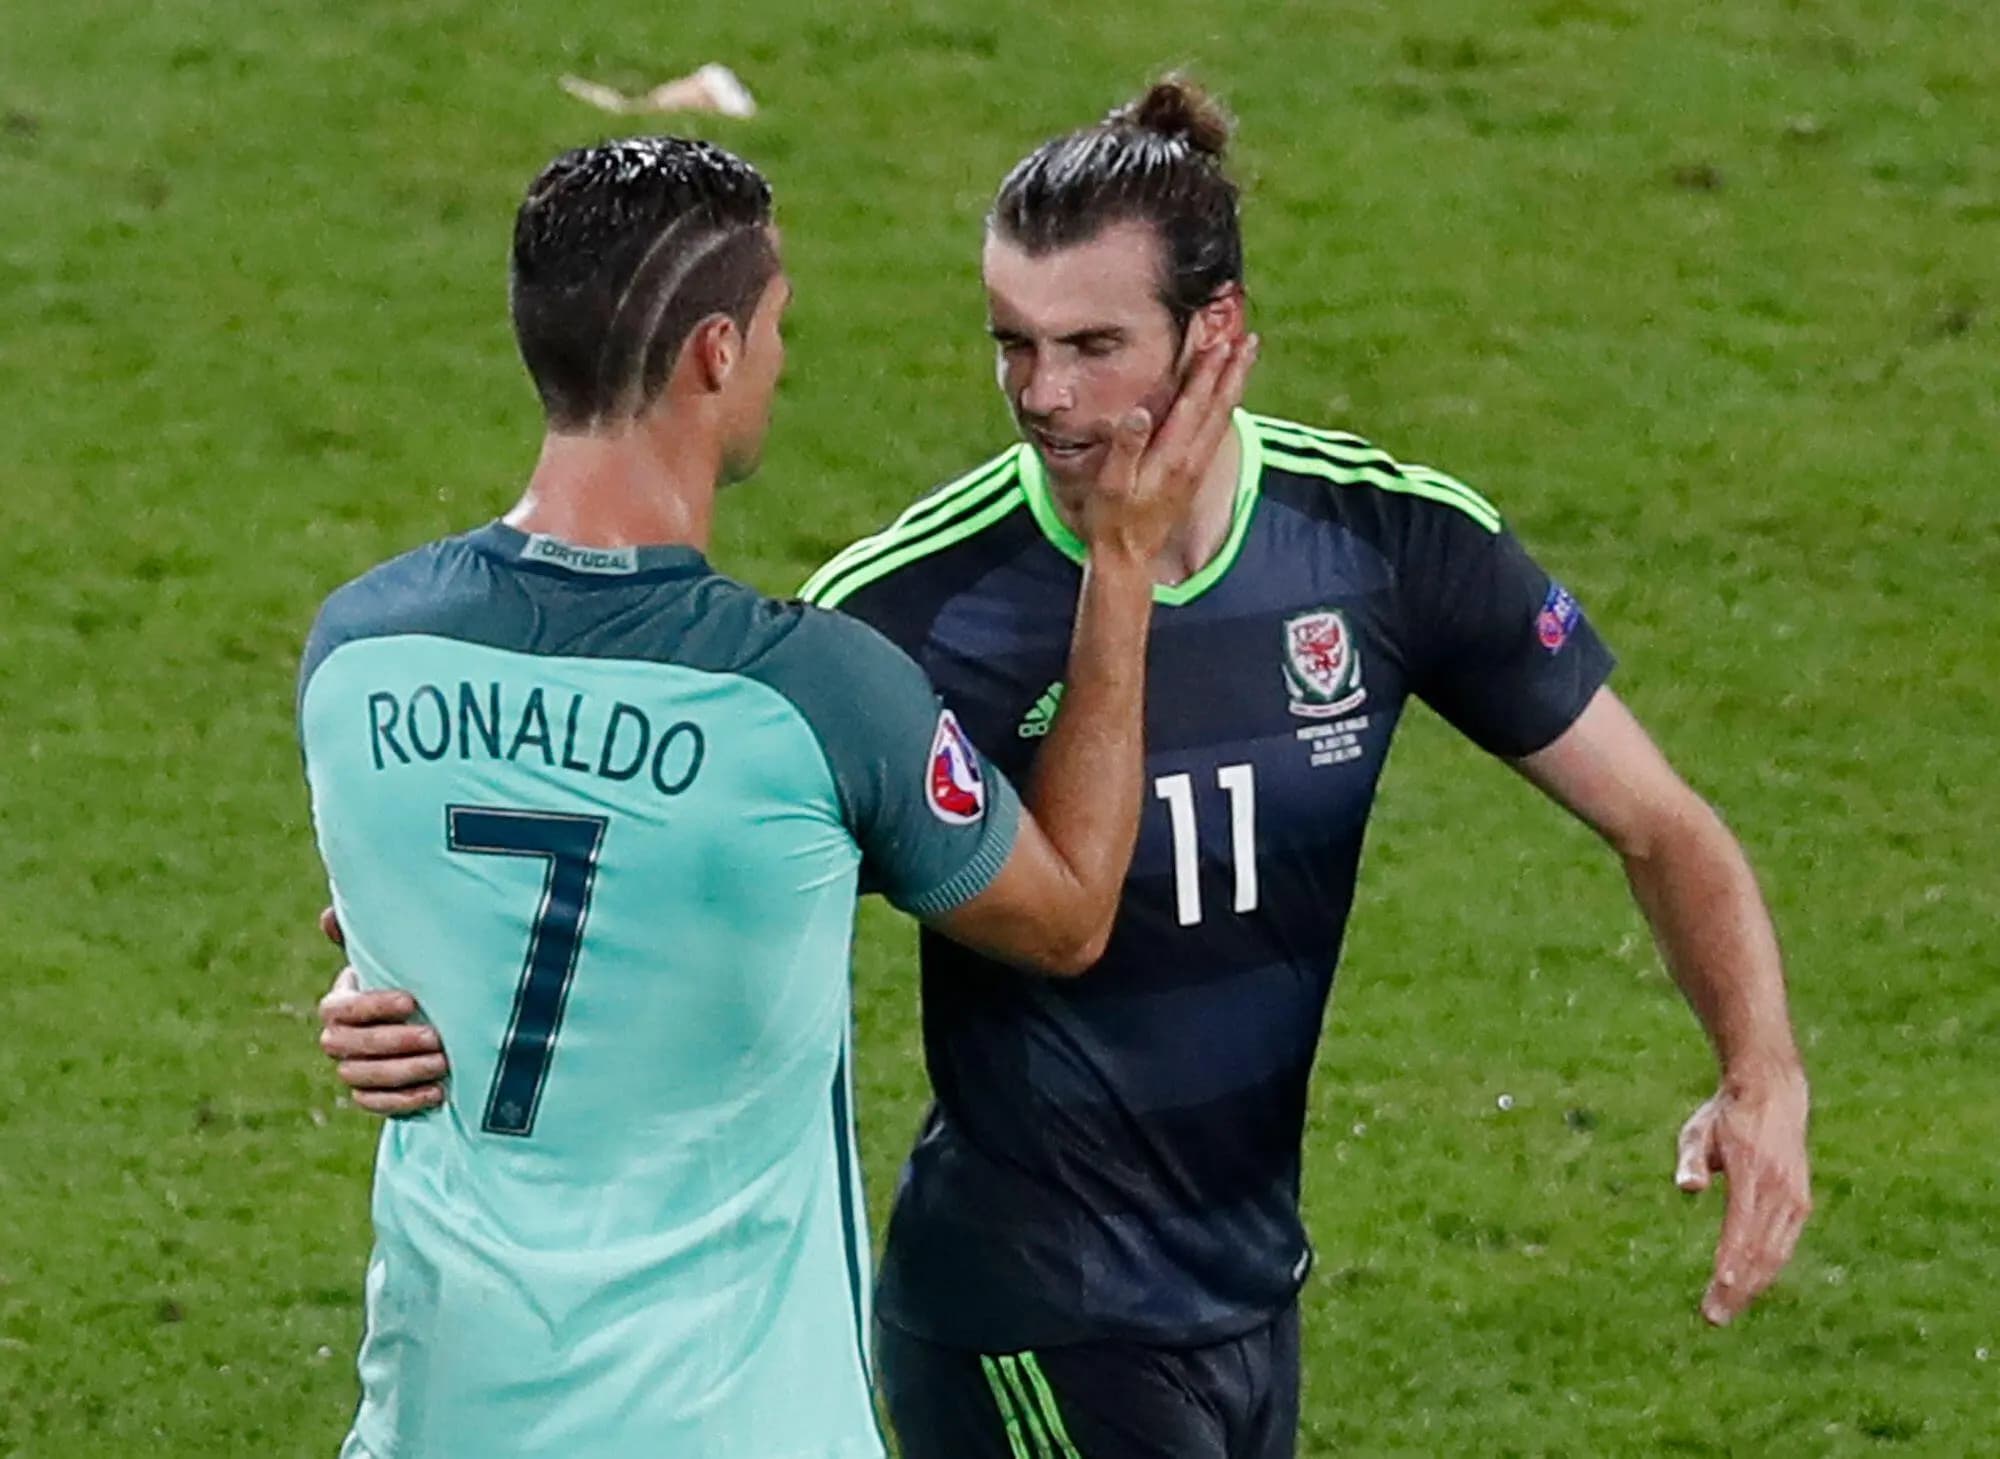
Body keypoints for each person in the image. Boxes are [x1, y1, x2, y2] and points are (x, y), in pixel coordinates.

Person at [320, 83, 1811, 1459]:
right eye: (1012, 343)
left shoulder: (1381, 543)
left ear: (1214, 331)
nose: (1041, 392)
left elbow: (1658, 821)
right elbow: (645, 856)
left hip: (1244, 1289)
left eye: (1092, 345)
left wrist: (1761, 1073)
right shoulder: (897, 612)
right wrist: (395, 968)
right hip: (1025, 1311)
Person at [299, 133, 1251, 1459]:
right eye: (776, 324)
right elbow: (1067, 917)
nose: (784, 361)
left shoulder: (358, 658)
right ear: (714, 354)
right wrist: (1123, 568)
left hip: (437, 1415)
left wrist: (365, 994)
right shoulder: (815, 701)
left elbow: (423, 921)